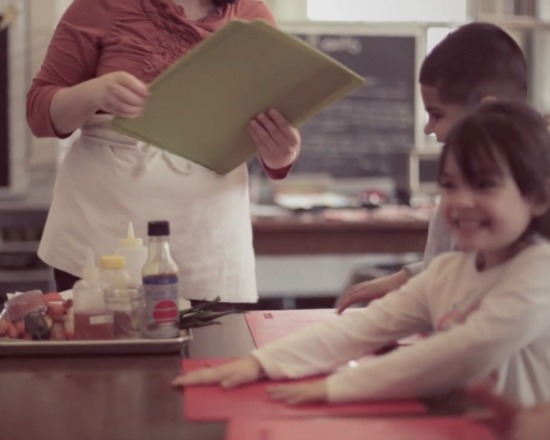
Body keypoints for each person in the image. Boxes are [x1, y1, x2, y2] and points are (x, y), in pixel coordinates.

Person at [173, 101, 550, 407]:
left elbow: (461, 351)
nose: (462, 202)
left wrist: (337, 387)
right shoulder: (448, 271)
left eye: (484, 185)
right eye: (451, 185)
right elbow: (362, 328)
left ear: (538, 198)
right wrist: (258, 364)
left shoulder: (538, 271)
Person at [26, 0, 301, 304]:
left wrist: (281, 155)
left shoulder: (253, 14)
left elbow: (268, 120)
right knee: (106, 344)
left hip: (210, 243)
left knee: (214, 352)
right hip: (102, 235)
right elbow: (39, 113)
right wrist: (94, 93)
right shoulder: (100, 5)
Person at [336, 22, 528, 313]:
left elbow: (463, 297)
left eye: (436, 114)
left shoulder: (523, 198)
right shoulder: (465, 180)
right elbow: (447, 268)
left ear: (487, 112)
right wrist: (405, 278)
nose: (428, 128)